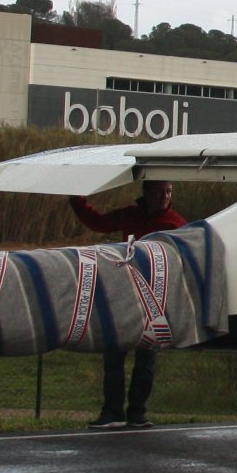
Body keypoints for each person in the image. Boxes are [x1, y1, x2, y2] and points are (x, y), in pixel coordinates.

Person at [69, 180, 187, 429]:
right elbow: (98, 223)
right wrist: (76, 198)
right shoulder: (130, 215)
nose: (165, 197)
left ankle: (137, 413)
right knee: (114, 356)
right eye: (160, 191)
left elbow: (186, 257)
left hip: (154, 300)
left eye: (169, 192)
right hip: (124, 295)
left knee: (146, 360)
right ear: (147, 192)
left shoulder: (176, 224)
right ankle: (112, 412)